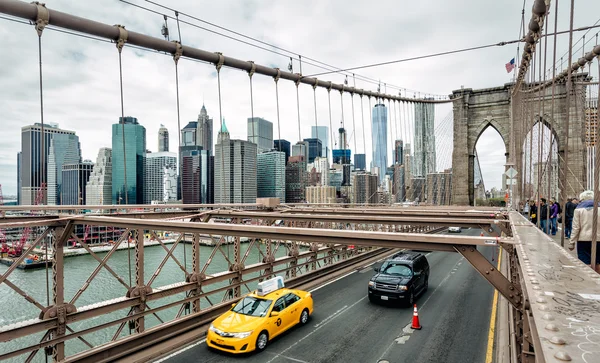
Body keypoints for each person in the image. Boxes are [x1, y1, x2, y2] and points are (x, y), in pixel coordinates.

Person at [568, 190, 600, 273]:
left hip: (583, 239)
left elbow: (576, 227)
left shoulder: (578, 210)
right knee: (598, 263)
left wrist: (571, 242)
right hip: (598, 239)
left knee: (585, 263)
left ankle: (589, 281)